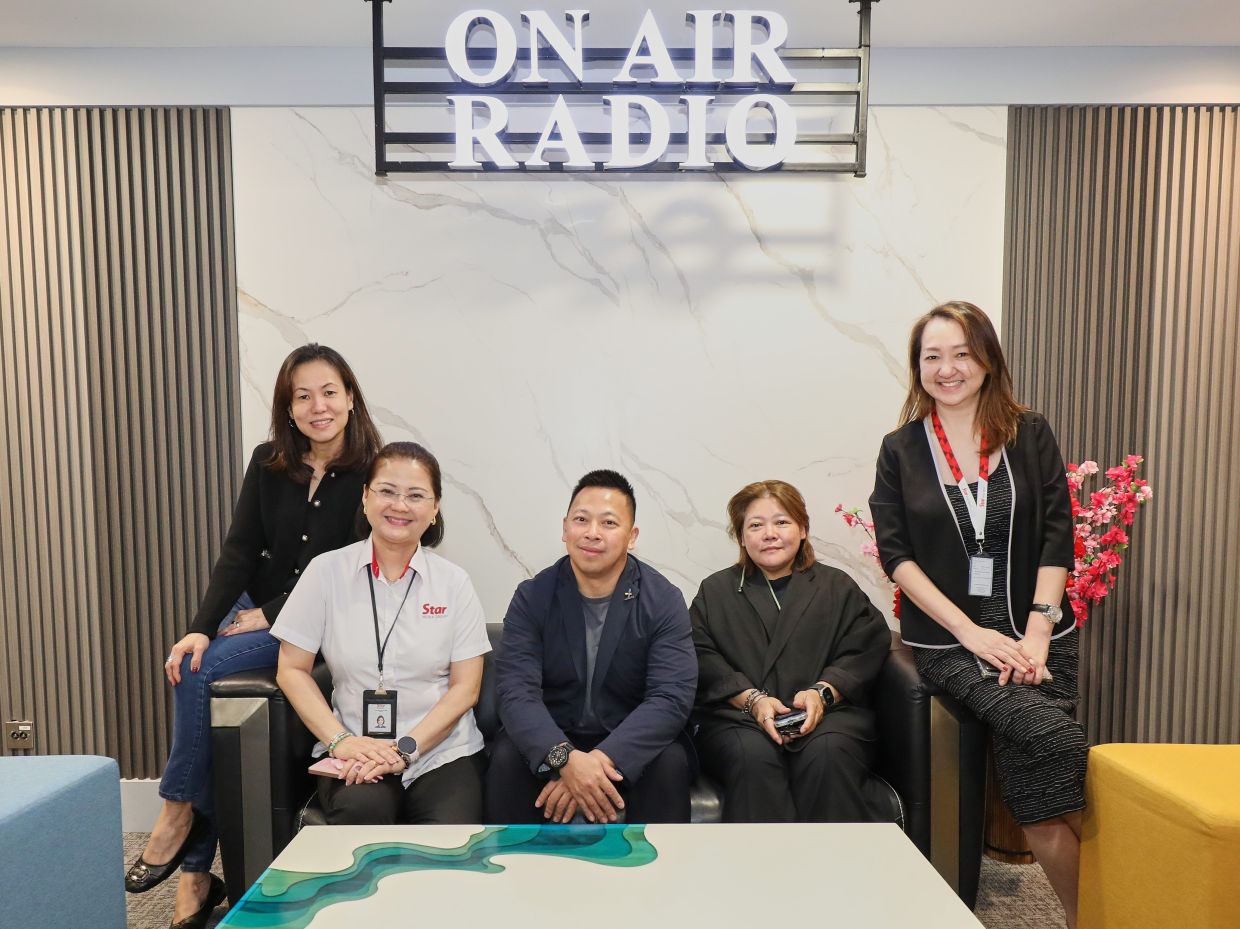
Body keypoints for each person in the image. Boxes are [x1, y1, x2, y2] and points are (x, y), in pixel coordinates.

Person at [124, 344, 382, 929]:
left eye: (329, 392)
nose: (318, 406)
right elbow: (239, 552)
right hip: (254, 604)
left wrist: (270, 612)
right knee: (193, 662)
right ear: (288, 409)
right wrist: (197, 627)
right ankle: (194, 869)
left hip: (313, 614)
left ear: (349, 397)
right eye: (302, 396)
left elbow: (347, 567)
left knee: (211, 671)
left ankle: (178, 813)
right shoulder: (269, 462)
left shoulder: (373, 472)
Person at [868, 301, 1086, 927]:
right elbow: (897, 556)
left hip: (1043, 636)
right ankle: (1116, 889)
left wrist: (1038, 635)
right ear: (918, 368)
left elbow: (1055, 534)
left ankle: (1083, 916)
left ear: (987, 359)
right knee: (1055, 738)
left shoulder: (1028, 432)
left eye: (961, 353)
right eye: (932, 356)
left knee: (1039, 795)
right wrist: (973, 634)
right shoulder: (902, 449)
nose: (947, 368)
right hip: (953, 645)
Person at [272, 442, 491, 825]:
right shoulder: (326, 573)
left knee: (450, 843)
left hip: (441, 753)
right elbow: (291, 670)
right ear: (366, 497)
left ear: (435, 508)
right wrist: (343, 742)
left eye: (416, 495)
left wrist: (405, 750)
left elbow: (465, 689)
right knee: (363, 815)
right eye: (387, 491)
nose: (400, 506)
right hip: (354, 750)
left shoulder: (454, 584)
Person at [486, 470, 697, 825]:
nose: (592, 533)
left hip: (627, 740)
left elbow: (670, 697)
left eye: (609, 523)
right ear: (565, 528)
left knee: (670, 763)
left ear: (632, 537)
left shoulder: (662, 600)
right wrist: (564, 760)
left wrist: (600, 762)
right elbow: (515, 692)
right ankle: (514, 875)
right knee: (506, 759)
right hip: (553, 736)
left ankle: (661, 880)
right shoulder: (533, 596)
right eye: (581, 520)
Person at [690, 480, 891, 822]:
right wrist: (752, 700)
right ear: (741, 536)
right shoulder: (715, 591)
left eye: (782, 522)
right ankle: (764, 871)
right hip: (738, 720)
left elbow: (866, 645)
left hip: (829, 715)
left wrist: (822, 693)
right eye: (755, 525)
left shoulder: (836, 586)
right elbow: (701, 656)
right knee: (751, 755)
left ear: (803, 529)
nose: (770, 534)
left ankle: (835, 868)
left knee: (828, 752)